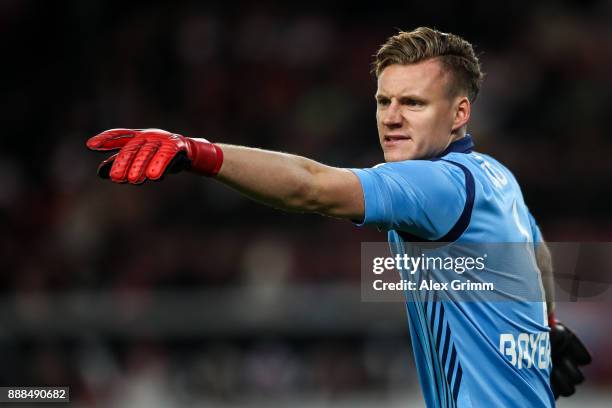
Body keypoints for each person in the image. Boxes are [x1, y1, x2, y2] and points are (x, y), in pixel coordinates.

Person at [87, 27, 590, 407]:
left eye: (413, 103)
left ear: (460, 114)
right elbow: (537, 252)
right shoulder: (495, 175)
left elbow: (313, 187)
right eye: (383, 100)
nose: (391, 117)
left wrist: (200, 153)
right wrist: (548, 324)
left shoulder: (435, 184)